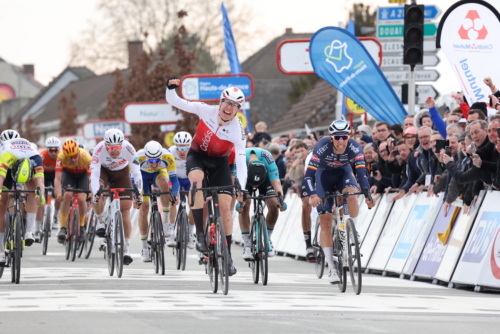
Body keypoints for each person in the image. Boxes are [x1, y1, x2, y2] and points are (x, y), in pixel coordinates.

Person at [166, 77, 246, 276]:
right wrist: (170, 88)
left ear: (238, 110)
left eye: (234, 105)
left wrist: (241, 186)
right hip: (197, 156)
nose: (229, 107)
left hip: (220, 163)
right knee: (196, 182)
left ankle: (227, 256)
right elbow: (177, 102)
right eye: (227, 102)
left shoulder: (238, 130)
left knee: (226, 209)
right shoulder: (205, 110)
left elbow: (242, 161)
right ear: (220, 102)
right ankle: (200, 236)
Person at [304, 120, 373, 284]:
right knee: (326, 222)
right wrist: (313, 194)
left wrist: (368, 194)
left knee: (352, 195)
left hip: (343, 173)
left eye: (344, 137)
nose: (341, 141)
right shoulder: (322, 146)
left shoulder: (355, 147)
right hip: (323, 177)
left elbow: (362, 174)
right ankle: (332, 268)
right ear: (331, 137)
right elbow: (308, 176)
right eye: (337, 137)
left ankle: (351, 229)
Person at [91, 129, 143, 266]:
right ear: (106, 145)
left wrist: (139, 193)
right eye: (111, 148)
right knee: (97, 192)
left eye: (117, 147)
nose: (114, 151)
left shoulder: (129, 148)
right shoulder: (98, 149)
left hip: (122, 173)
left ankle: (126, 249)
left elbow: (137, 173)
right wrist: (96, 193)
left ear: (122, 145)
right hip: (104, 171)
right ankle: (101, 220)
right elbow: (95, 175)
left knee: (125, 210)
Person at [0, 133, 46, 258]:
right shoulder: (6, 153)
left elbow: (40, 181)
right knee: (2, 203)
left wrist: (40, 195)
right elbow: (1, 176)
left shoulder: (35, 157)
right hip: (6, 171)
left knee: (34, 189)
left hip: (26, 165)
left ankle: (29, 231)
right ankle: (0, 250)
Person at [238, 148, 286, 260]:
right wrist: (239, 200)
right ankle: (247, 245)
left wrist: (280, 200)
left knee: (274, 205)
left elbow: (276, 182)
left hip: (265, 178)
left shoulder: (267, 157)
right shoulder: (240, 158)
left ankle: (267, 238)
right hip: (245, 179)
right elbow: (236, 182)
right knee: (245, 204)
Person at [137, 141, 179, 262]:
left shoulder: (168, 157)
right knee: (144, 208)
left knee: (164, 184)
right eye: (150, 161)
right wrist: (136, 196)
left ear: (161, 156)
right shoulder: (138, 157)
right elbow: (134, 178)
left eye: (157, 161)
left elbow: (175, 180)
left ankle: (166, 223)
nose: (154, 164)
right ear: (145, 157)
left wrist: (174, 195)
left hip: (159, 175)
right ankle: (144, 248)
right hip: (142, 177)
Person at [54, 139, 92, 243]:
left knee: (81, 199)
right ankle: (62, 228)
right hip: (68, 174)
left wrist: (90, 192)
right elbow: (57, 178)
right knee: (67, 195)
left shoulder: (86, 156)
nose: (73, 159)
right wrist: (58, 194)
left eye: (75, 156)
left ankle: (82, 225)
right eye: (70, 157)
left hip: (82, 175)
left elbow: (91, 179)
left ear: (79, 151)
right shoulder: (61, 157)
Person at [168, 132, 196, 250]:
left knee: (194, 204)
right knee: (173, 201)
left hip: (190, 180)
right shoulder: (170, 152)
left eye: (185, 148)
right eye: (179, 148)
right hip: (176, 180)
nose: (182, 151)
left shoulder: (194, 152)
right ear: (175, 146)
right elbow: (165, 171)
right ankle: (171, 232)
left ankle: (190, 233)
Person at [39, 137, 62, 232]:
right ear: (47, 149)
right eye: (51, 150)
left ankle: (56, 217)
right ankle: (40, 217)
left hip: (55, 174)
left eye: (55, 150)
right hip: (44, 174)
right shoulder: (42, 156)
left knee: (58, 195)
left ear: (58, 150)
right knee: (42, 195)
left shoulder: (61, 156)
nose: (53, 153)